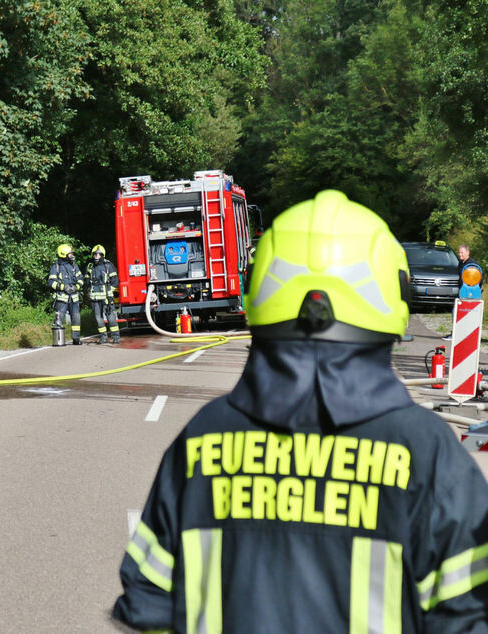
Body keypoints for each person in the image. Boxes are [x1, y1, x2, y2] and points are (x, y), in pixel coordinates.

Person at [113, 190, 488, 633]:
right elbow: (468, 615)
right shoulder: (428, 453)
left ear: (258, 292)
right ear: (394, 295)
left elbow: (149, 600)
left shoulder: (202, 440)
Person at [48, 244, 84, 345]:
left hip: (74, 298)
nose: (72, 255)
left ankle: (76, 339)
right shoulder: (56, 267)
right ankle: (58, 340)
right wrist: (64, 287)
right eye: (70, 253)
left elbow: (81, 279)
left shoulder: (74, 266)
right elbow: (51, 282)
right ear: (63, 254)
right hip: (61, 299)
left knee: (76, 318)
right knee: (59, 319)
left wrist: (76, 287)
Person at [85, 244, 120, 344]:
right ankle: (103, 337)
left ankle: (115, 337)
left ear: (102, 255)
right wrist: (88, 292)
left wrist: (109, 293)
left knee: (111, 317)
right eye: (95, 254)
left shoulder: (108, 265)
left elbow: (115, 281)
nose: (96, 256)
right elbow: (86, 281)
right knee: (98, 318)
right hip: (95, 298)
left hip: (106, 297)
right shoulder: (90, 266)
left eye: (99, 254)